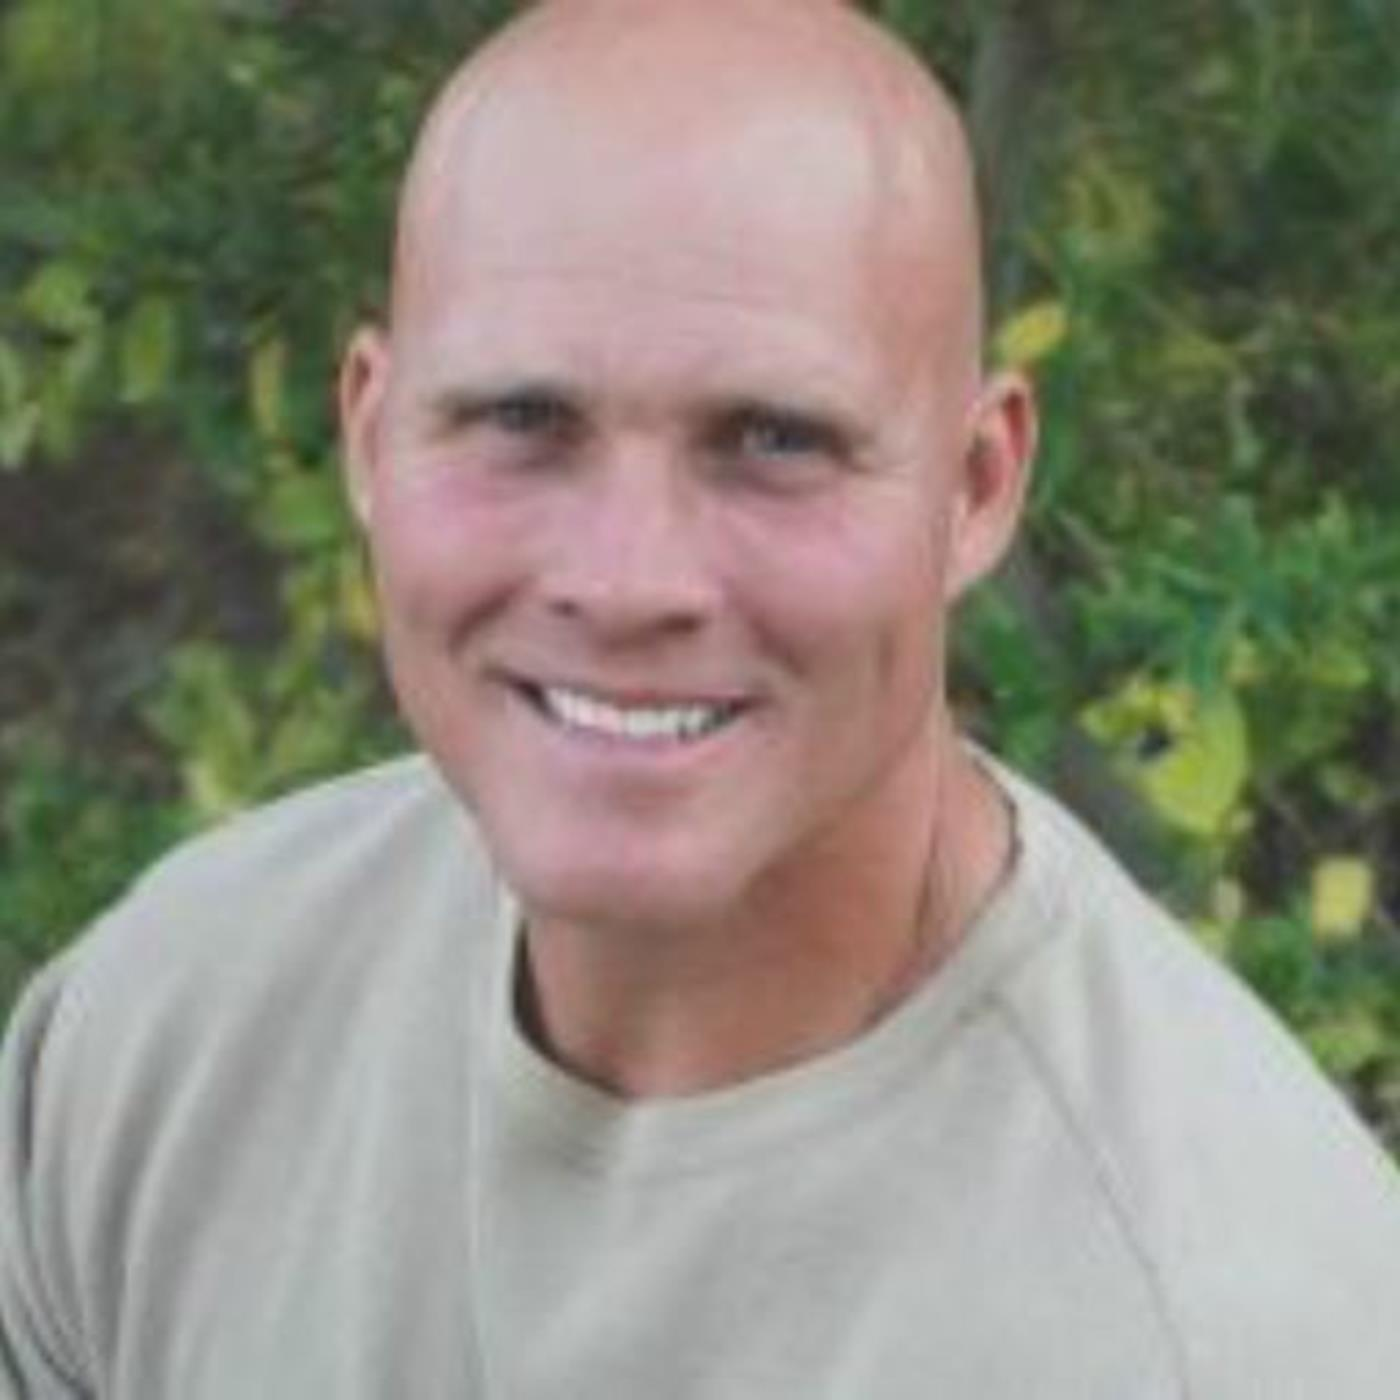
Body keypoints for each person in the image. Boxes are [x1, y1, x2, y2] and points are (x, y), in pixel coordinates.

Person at [3, 0, 1399, 1394]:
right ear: (372, 437)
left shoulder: (1221, 1333)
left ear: (976, 488)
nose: (627, 581)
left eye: (774, 441)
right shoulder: (167, 1040)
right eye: (521, 422)